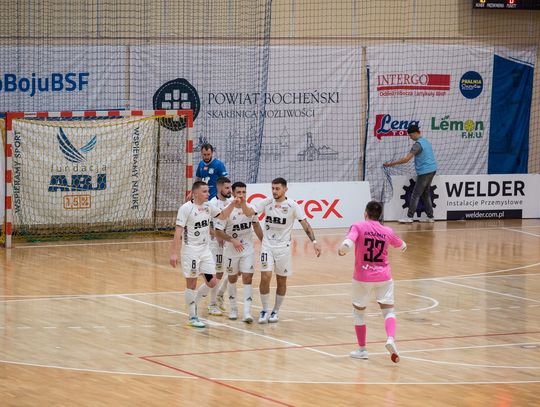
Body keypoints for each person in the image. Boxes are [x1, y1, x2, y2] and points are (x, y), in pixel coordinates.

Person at [338, 200, 407, 363]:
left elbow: (347, 243)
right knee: (388, 311)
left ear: (365, 213)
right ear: (380, 215)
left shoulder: (358, 226)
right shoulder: (387, 231)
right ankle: (390, 338)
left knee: (359, 313)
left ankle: (362, 350)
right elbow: (402, 246)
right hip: (384, 277)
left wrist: (342, 251)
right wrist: (401, 245)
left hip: (362, 277)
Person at [245, 177, 322, 324]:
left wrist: (314, 242)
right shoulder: (267, 202)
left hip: (283, 249)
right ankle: (264, 310)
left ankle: (275, 311)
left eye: (277, 188)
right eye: (272, 188)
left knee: (281, 280)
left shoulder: (292, 205)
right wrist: (242, 203)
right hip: (267, 246)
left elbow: (305, 224)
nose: (274, 191)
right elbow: (250, 212)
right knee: (265, 276)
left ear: (285, 189)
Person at [169, 181, 238, 328]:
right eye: (205, 191)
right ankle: (192, 316)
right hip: (191, 251)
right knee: (192, 283)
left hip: (205, 251)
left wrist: (233, 204)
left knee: (212, 282)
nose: (208, 194)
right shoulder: (186, 208)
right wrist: (174, 253)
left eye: (208, 191)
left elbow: (223, 215)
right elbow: (178, 232)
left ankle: (194, 302)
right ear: (196, 193)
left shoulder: (208, 206)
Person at [214, 182, 264, 322]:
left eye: (244, 192)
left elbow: (256, 226)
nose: (241, 195)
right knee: (232, 278)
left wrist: (264, 242)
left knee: (248, 277)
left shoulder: (250, 209)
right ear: (233, 193)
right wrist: (232, 240)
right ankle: (233, 309)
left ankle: (247, 312)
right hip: (231, 250)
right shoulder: (227, 211)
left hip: (247, 249)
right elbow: (218, 231)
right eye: (239, 192)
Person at [383, 123, 437, 223]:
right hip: (432, 170)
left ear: (416, 133)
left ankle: (409, 217)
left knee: (415, 194)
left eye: (411, 135)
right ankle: (430, 217)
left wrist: (390, 164)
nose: (410, 137)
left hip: (425, 171)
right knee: (425, 194)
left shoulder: (417, 145)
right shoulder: (426, 141)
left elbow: (406, 159)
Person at [207, 176, 233, 316]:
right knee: (217, 274)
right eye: (227, 188)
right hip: (215, 244)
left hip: (228, 242)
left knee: (235, 270)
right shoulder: (212, 203)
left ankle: (220, 294)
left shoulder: (231, 202)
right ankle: (212, 304)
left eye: (230, 188)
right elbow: (208, 227)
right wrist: (219, 235)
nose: (230, 190)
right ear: (219, 187)